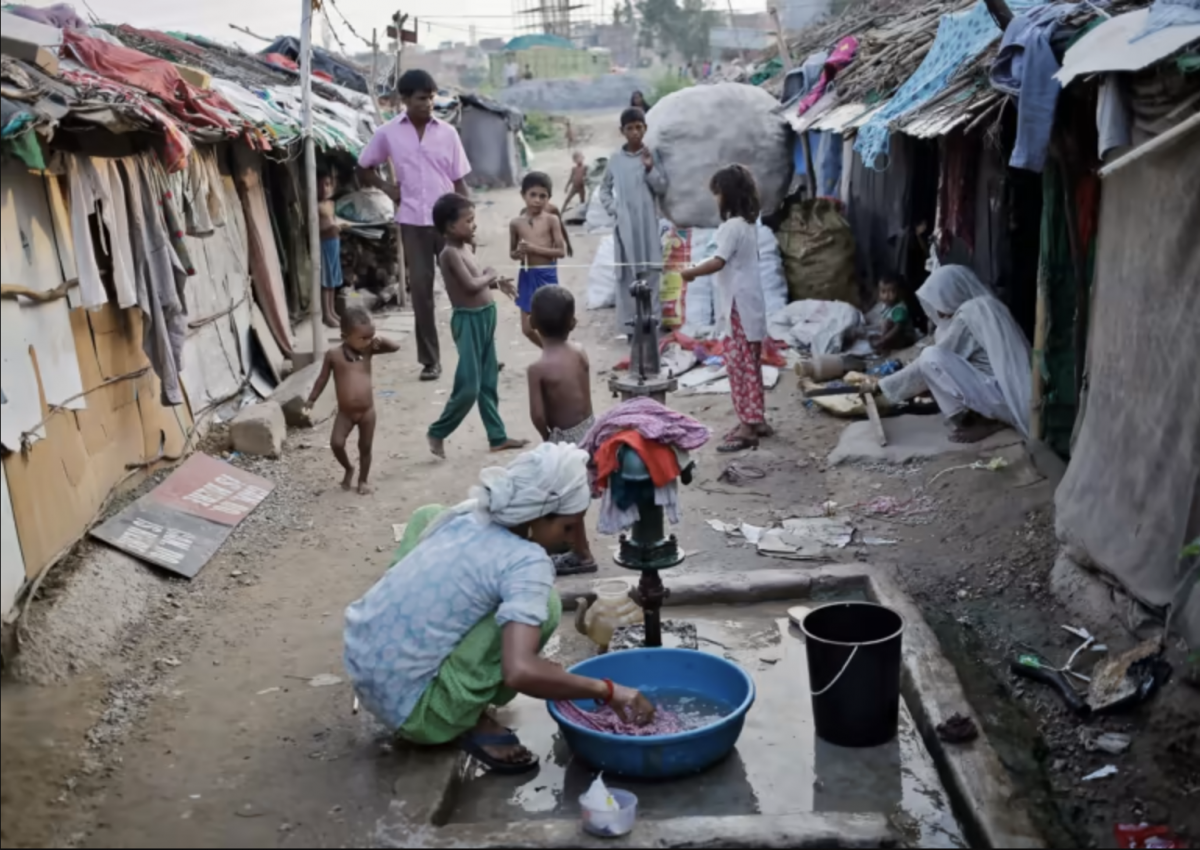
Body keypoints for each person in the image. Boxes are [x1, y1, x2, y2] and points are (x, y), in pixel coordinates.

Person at [344, 443, 655, 774]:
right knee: (546, 606)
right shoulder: (526, 561)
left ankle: (430, 666)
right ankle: (466, 718)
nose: (571, 541)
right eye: (567, 527)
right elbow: (519, 672)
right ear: (536, 516)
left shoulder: (466, 514)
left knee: (428, 514)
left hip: (366, 670)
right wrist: (608, 690)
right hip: (416, 713)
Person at [356, 69, 471, 382]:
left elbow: (460, 181)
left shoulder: (448, 133)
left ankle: (473, 354)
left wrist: (469, 222)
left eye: (431, 97)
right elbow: (364, 167)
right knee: (421, 292)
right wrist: (388, 188)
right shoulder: (388, 133)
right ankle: (430, 361)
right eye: (421, 98)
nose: (428, 103)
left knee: (462, 289)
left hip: (447, 224)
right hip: (412, 223)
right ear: (404, 100)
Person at [872, 265, 1032, 443]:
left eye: (940, 301)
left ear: (952, 293)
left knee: (930, 357)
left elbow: (933, 361)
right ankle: (979, 418)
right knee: (934, 352)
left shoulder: (970, 314)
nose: (938, 311)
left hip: (1004, 398)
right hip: (1005, 392)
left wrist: (883, 386)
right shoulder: (986, 307)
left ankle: (990, 423)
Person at [428, 192, 528, 459]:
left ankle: (497, 437)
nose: (474, 225)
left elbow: (477, 283)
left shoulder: (465, 248)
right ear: (450, 226)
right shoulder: (449, 254)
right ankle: (437, 432)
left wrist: (497, 283)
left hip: (485, 317)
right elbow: (472, 285)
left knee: (488, 382)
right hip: (469, 322)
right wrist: (490, 275)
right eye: (469, 221)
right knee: (469, 386)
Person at [681, 165, 771, 453]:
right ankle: (756, 419)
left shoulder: (731, 228)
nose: (716, 199)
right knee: (751, 365)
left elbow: (718, 261)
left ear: (727, 195)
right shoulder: (747, 225)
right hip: (750, 306)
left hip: (739, 309)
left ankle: (747, 426)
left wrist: (692, 271)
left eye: (717, 194)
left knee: (739, 367)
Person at [526, 286, 597, 576]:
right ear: (573, 322)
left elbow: (538, 414)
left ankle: (581, 554)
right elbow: (585, 391)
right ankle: (571, 546)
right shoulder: (579, 352)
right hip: (590, 430)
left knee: (567, 498)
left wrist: (548, 438)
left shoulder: (538, 368)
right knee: (574, 495)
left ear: (532, 323)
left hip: (564, 439)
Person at [305, 306, 400, 494]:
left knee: (365, 447)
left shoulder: (369, 350)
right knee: (336, 443)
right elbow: (322, 379)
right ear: (344, 336)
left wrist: (381, 340)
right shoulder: (333, 355)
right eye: (363, 338)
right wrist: (311, 399)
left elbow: (395, 347)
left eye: (370, 336)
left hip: (367, 412)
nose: (368, 341)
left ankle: (363, 480)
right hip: (346, 413)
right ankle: (348, 467)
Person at [599, 107, 669, 334]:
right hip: (625, 227)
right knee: (628, 276)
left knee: (651, 274)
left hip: (648, 225)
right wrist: (615, 210)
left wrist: (650, 168)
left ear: (645, 129)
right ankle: (632, 329)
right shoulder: (616, 160)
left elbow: (662, 186)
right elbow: (604, 190)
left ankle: (653, 325)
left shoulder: (651, 156)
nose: (635, 132)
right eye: (630, 128)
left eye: (639, 127)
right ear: (622, 131)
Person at [510, 172, 567, 350]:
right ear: (523, 195)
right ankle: (550, 350)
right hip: (527, 276)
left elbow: (561, 251)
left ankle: (558, 352)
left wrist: (535, 249)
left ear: (549, 198)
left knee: (551, 323)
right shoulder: (516, 223)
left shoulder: (552, 220)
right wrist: (518, 253)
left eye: (543, 196)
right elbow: (512, 253)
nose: (537, 200)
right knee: (527, 329)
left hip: (547, 276)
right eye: (532, 195)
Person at [317, 172, 346, 329]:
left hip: (335, 242)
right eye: (321, 185)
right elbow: (315, 229)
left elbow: (333, 221)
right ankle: (326, 314)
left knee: (333, 278)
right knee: (326, 279)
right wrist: (330, 228)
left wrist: (338, 226)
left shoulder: (331, 204)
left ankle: (332, 310)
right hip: (324, 243)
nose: (324, 188)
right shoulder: (316, 206)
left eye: (327, 184)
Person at [871, 273, 916, 353]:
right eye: (883, 291)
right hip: (891, 334)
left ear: (899, 292)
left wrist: (884, 339)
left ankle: (888, 346)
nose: (887, 296)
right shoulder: (885, 306)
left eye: (892, 291)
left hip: (904, 337)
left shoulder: (899, 309)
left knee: (888, 324)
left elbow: (897, 328)